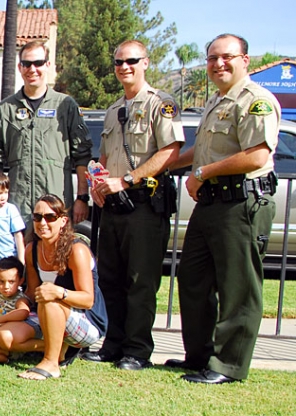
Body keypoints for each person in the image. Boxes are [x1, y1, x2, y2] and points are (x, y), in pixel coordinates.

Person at [165, 34, 279, 384]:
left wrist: (202, 173)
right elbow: (202, 151)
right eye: (212, 58)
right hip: (211, 204)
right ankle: (199, 356)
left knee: (238, 286)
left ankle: (228, 366)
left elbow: (258, 155)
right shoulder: (218, 101)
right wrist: (162, 166)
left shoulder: (256, 100)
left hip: (241, 203)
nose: (218, 64)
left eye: (226, 57)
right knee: (193, 278)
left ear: (245, 59)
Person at [82, 40, 185, 371]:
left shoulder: (161, 104)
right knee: (110, 277)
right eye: (118, 62)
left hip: (143, 204)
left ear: (145, 63)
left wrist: (126, 180)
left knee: (140, 280)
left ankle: (137, 350)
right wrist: (97, 183)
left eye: (131, 61)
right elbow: (104, 157)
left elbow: (170, 151)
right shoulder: (113, 109)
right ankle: (113, 343)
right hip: (111, 206)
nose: (124, 67)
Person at [0, 40, 93, 234]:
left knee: (56, 261)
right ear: (19, 67)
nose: (32, 69)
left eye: (38, 63)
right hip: (18, 207)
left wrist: (82, 198)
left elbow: (82, 155)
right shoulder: (5, 109)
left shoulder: (66, 105)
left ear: (48, 65)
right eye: (26, 64)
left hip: (56, 206)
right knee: (20, 261)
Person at [15, 195, 107, 381]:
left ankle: (51, 362)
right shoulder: (31, 249)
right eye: (37, 217)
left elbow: (88, 300)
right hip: (45, 315)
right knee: (4, 339)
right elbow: (33, 293)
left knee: (50, 301)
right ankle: (59, 348)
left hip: (86, 321)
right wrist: (16, 303)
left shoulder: (76, 250)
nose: (43, 223)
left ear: (63, 221)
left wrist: (59, 292)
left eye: (50, 217)